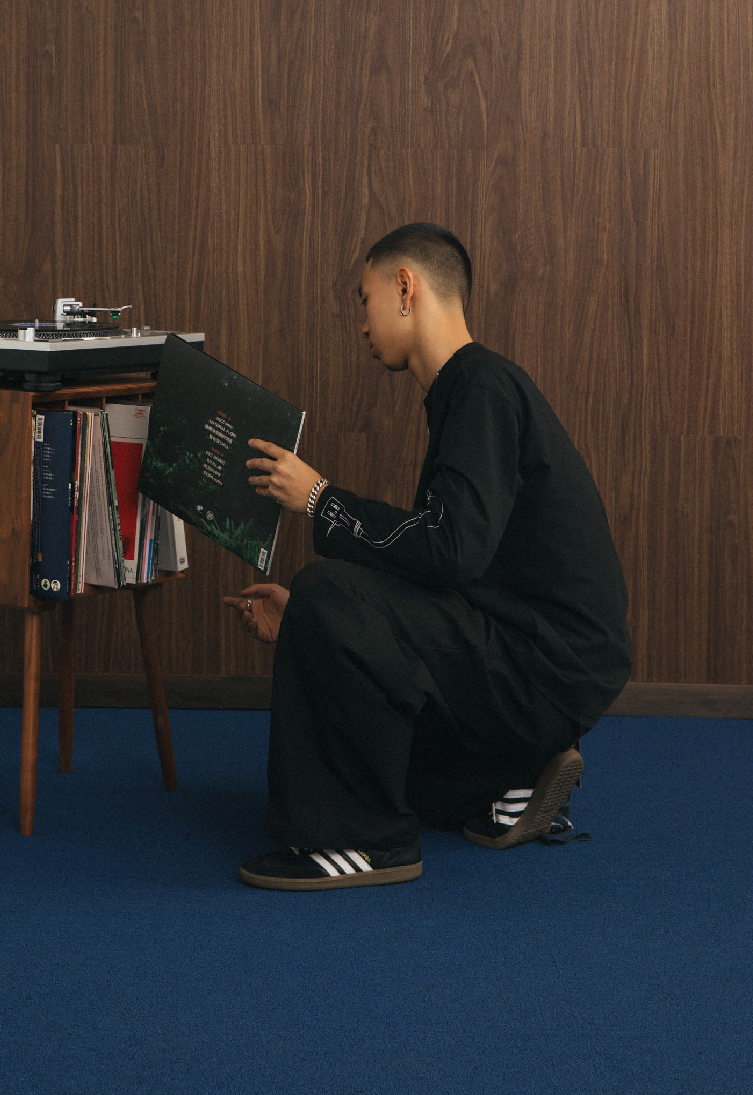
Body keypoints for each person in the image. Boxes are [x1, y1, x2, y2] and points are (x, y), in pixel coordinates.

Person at [222, 222, 632, 891]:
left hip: (545, 666)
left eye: (366, 299)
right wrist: (311, 624)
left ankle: (360, 841)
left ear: (405, 287)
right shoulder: (470, 391)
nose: (362, 323)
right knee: (388, 754)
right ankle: (513, 778)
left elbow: (448, 551)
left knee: (327, 585)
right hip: (538, 657)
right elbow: (445, 568)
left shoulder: (482, 389)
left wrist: (320, 499)